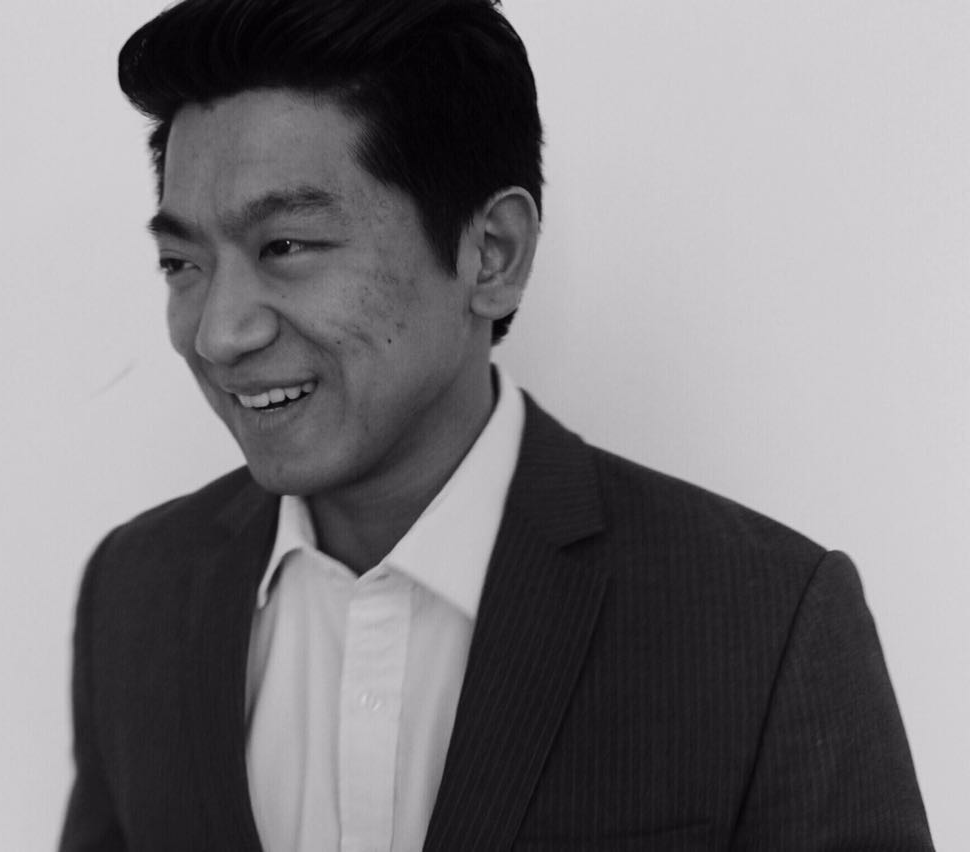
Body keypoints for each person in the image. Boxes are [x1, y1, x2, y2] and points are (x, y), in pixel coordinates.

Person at [60, 0, 933, 849]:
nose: (218, 333)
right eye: (181, 262)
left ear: (493, 254)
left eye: (285, 246)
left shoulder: (765, 622)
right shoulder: (134, 595)